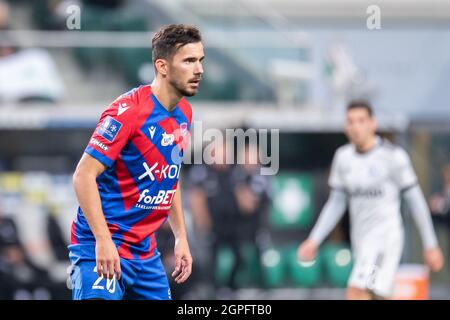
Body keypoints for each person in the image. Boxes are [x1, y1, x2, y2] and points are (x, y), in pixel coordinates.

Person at [68, 24, 204, 300]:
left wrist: (180, 237)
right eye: (189, 61)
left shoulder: (184, 113)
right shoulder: (128, 111)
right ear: (162, 67)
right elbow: (83, 176)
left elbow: (170, 176)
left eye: (200, 60)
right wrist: (103, 241)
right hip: (102, 246)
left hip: (144, 253)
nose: (199, 69)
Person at [297, 100, 444, 300]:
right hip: (361, 242)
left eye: (361, 120)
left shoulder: (393, 157)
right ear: (345, 126)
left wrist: (430, 244)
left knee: (357, 291)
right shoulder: (343, 158)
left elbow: (416, 201)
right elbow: (336, 202)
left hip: (384, 241)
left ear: (373, 123)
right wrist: (314, 239)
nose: (356, 126)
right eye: (351, 121)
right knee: (376, 295)